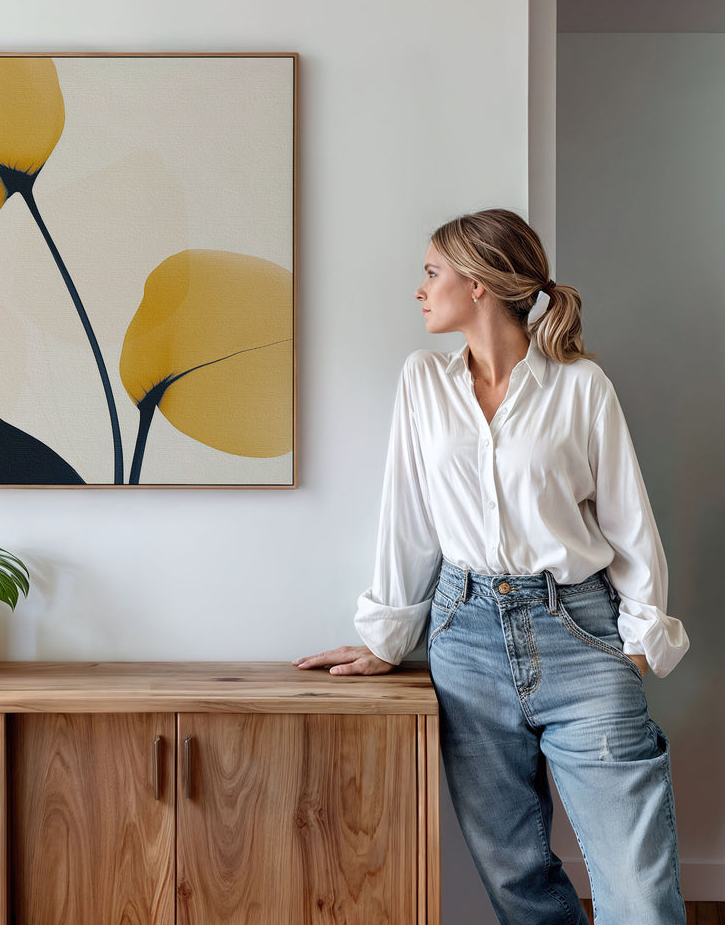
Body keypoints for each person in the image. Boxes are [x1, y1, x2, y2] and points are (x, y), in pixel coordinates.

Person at [295, 209, 689, 925]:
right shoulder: (423, 381)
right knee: (516, 879)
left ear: (478, 284)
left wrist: (637, 645)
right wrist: (387, 637)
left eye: (432, 273)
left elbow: (630, 522)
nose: (420, 290)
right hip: (465, 638)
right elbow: (408, 518)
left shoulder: (581, 386)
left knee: (638, 889)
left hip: (580, 632)